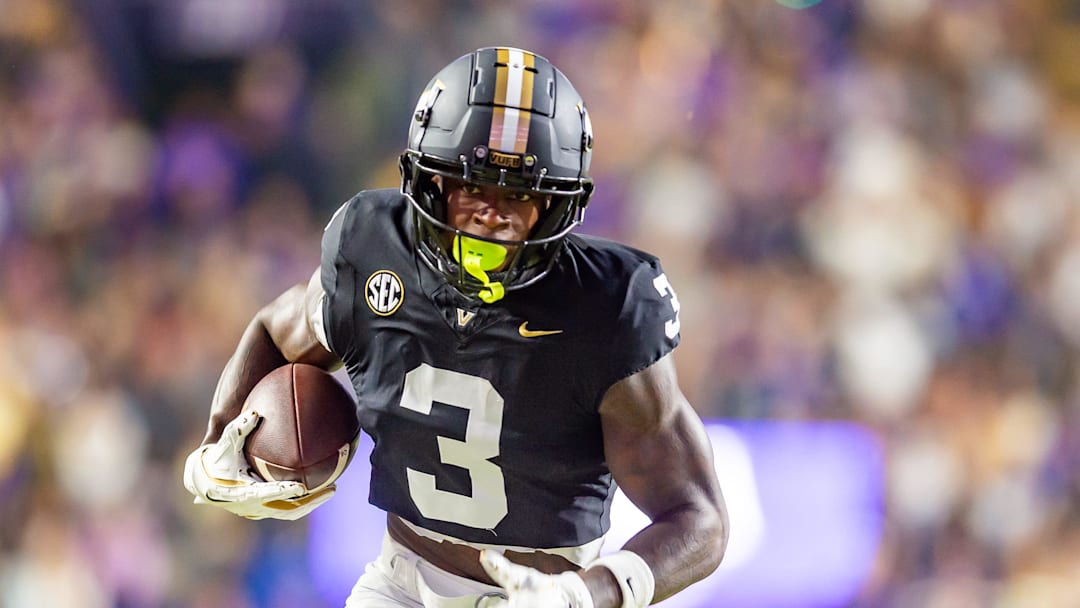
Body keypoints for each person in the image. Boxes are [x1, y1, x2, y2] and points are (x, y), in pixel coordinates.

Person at [183, 46, 728, 608]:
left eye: (518, 194)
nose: (492, 214)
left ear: (557, 203)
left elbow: (699, 518)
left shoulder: (608, 308)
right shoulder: (374, 253)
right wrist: (217, 444)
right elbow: (277, 331)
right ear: (430, 184)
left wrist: (587, 594)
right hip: (401, 585)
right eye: (473, 185)